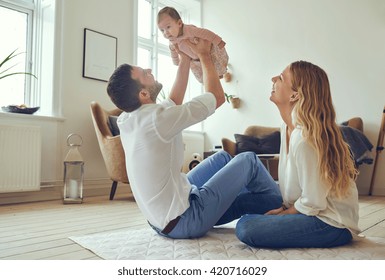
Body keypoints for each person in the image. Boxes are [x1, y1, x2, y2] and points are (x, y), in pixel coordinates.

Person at [106, 38, 282, 239]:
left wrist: (185, 60)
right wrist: (204, 55)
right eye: (144, 74)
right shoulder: (157, 119)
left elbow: (172, 102)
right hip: (184, 220)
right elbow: (216, 97)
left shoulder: (128, 118)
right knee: (248, 159)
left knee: (223, 158)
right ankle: (280, 206)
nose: (148, 69)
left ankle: (243, 200)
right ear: (144, 93)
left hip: (161, 219)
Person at [234, 61, 360, 248]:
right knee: (242, 198)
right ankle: (194, 215)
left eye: (280, 78)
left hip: (330, 223)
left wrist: (282, 215)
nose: (273, 79)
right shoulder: (287, 127)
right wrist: (285, 209)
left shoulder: (304, 138)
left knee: (246, 226)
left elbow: (313, 202)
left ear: (295, 94)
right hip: (306, 208)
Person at [157, 6, 228, 83]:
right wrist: (176, 61)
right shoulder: (172, 41)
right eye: (162, 30)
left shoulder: (189, 30)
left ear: (179, 23)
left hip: (207, 50)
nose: (166, 32)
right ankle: (211, 78)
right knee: (199, 73)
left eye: (168, 27)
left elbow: (205, 33)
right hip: (194, 59)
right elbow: (173, 51)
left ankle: (221, 73)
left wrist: (218, 41)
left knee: (217, 61)